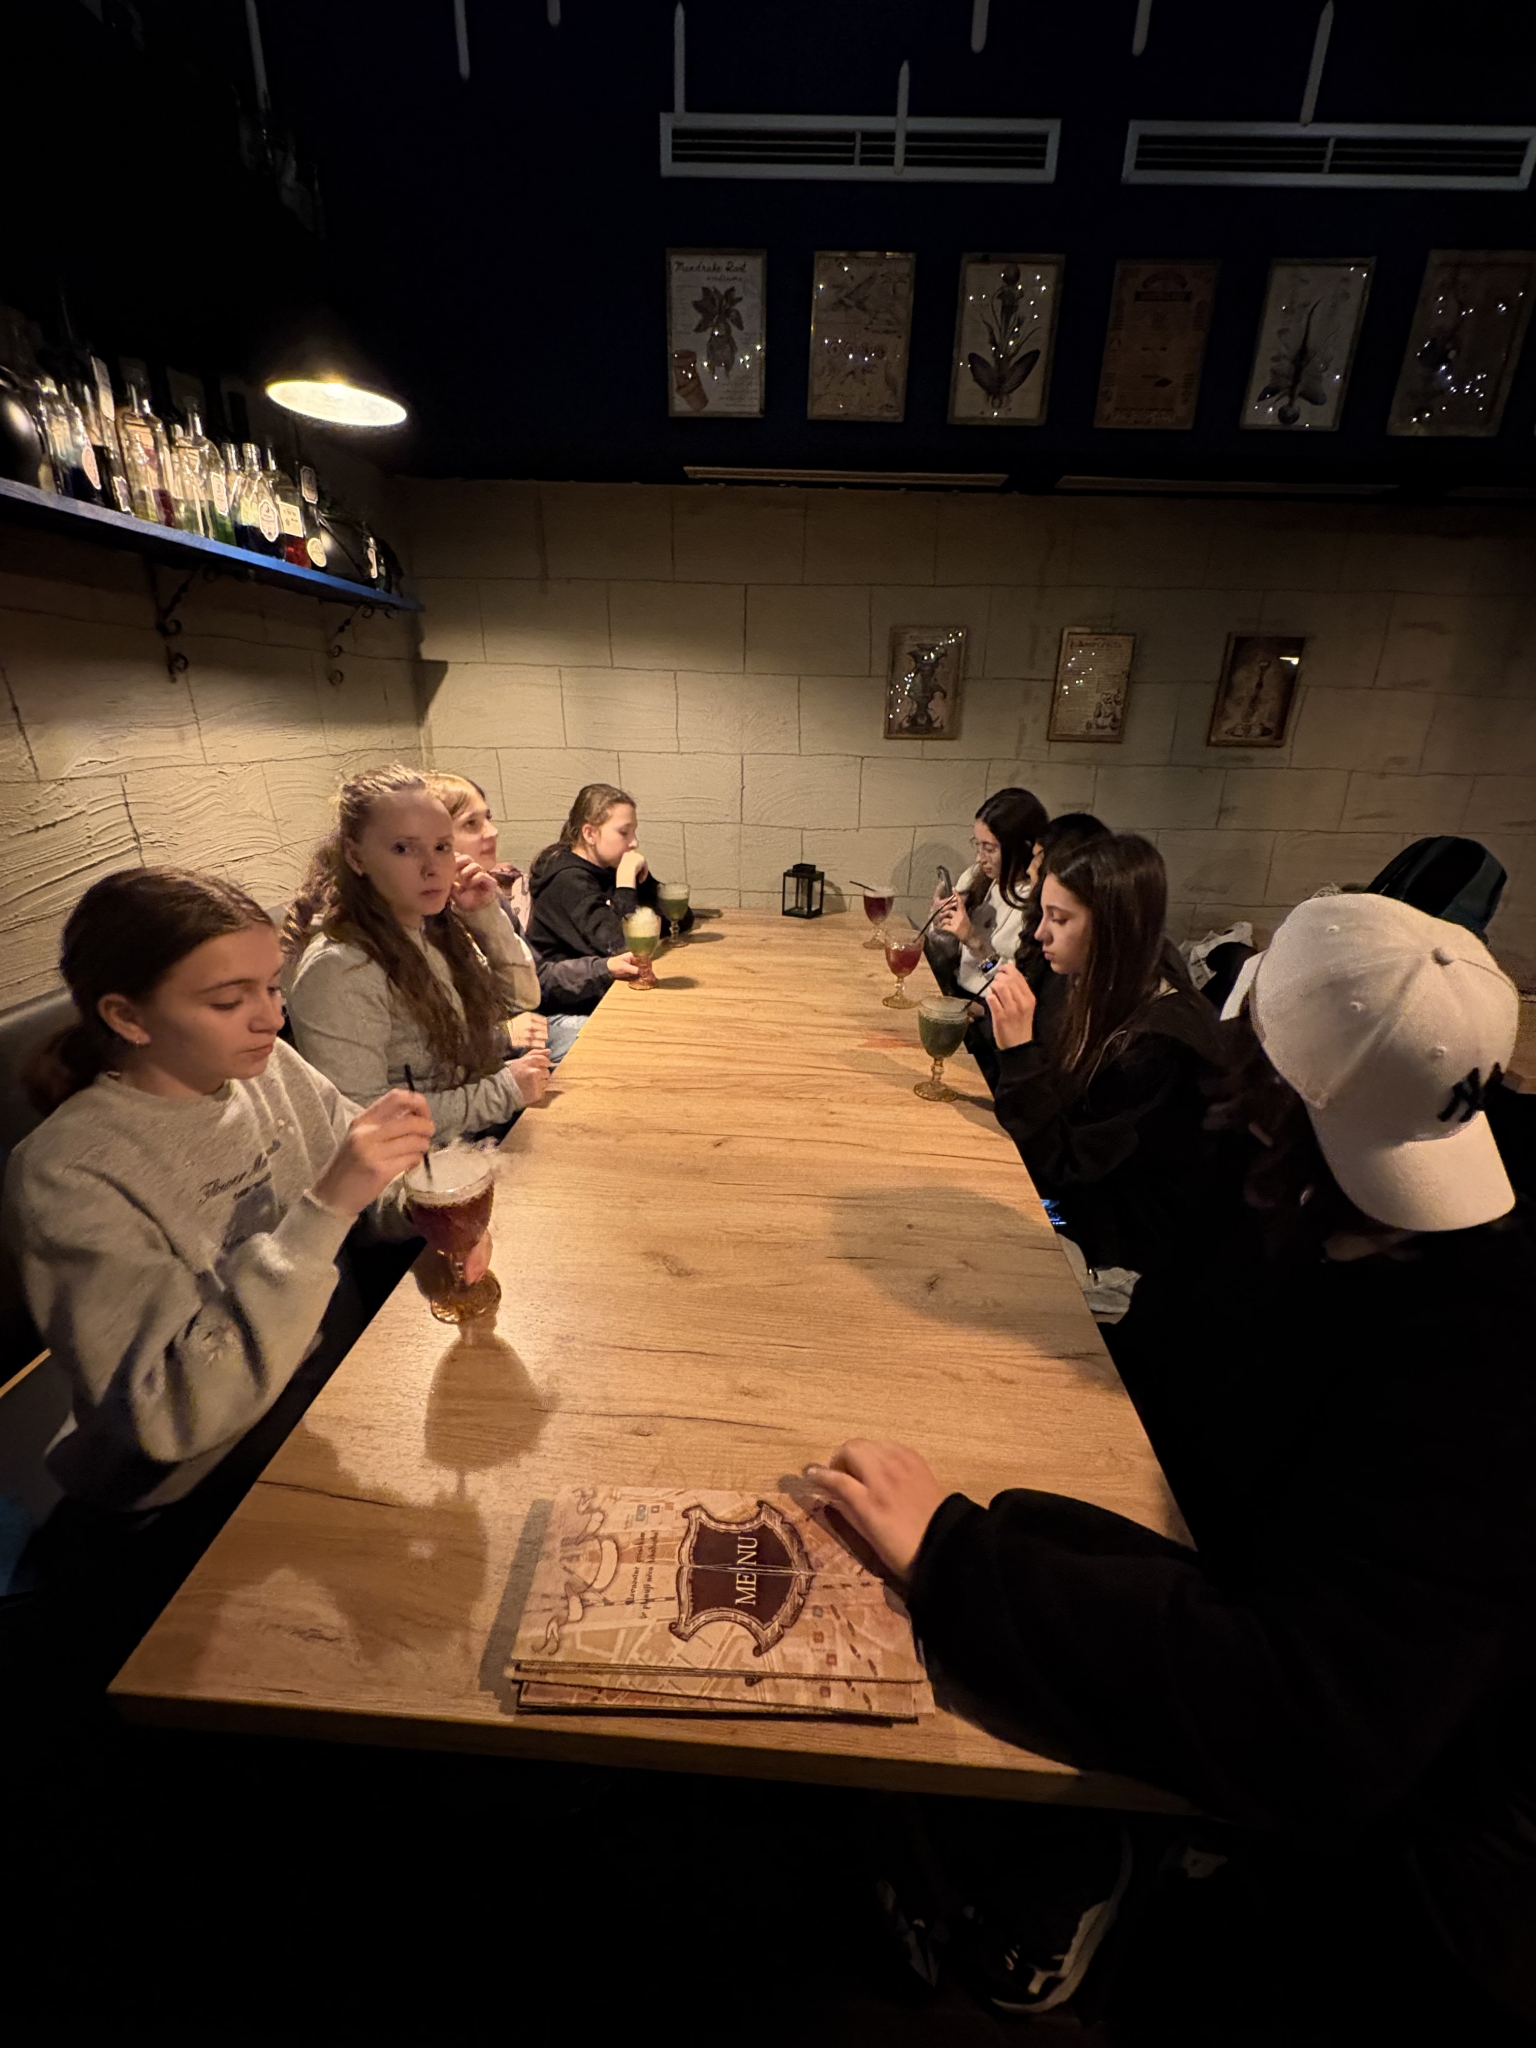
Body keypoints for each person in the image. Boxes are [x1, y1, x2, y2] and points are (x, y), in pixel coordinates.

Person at [807, 894, 1536, 2024]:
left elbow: (1314, 1722)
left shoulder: (1480, 1362)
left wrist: (961, 1558)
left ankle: (1085, 1863)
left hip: (1388, 1872)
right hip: (1253, 1612)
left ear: (1262, 1075)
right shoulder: (1324, 1201)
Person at [3, 866, 444, 1519]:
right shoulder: (67, 1171)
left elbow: (368, 1192)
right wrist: (326, 1209)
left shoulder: (265, 1069)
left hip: (330, 1391)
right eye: (229, 1002)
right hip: (201, 1485)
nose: (271, 1018)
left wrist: (423, 1205)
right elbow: (168, 1412)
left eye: (272, 986)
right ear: (127, 1016)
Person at [983, 832, 1225, 1289]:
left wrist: (1018, 1052)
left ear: (1113, 927)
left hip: (1115, 1250)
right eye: (1042, 914)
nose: (1039, 932)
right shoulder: (1091, 981)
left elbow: (1068, 1168)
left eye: (1059, 918)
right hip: (1073, 1201)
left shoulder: (1161, 1045)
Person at [284, 764, 551, 1143]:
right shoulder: (340, 968)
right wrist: (503, 1092)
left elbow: (523, 998)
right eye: (403, 848)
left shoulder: (433, 926)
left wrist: (484, 915)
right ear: (356, 857)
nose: (432, 868)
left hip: (475, 1137)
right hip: (427, 1164)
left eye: (441, 847)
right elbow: (363, 1120)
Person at [424, 770, 633, 1063]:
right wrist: (502, 1034)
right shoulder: (419, 917)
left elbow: (532, 986)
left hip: (526, 1024)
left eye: (488, 818)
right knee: (618, 1052)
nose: (492, 831)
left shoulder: (484, 892)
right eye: (472, 823)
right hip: (497, 1050)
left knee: (633, 1036)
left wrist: (605, 968)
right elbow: (426, 1048)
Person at [525, 783, 687, 1015]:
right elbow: (621, 946)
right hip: (566, 1005)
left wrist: (644, 881)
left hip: (606, 991)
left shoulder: (609, 866)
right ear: (590, 834)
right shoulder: (567, 880)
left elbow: (680, 919)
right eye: (624, 832)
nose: (634, 842)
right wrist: (625, 885)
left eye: (634, 832)